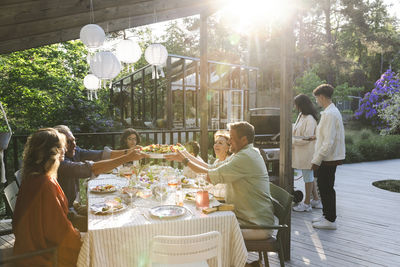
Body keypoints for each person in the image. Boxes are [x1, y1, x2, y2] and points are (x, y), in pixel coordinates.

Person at [166, 122, 274, 239]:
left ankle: (212, 257)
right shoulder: (243, 153)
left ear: (243, 140)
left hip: (255, 226)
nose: (229, 141)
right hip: (241, 218)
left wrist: (186, 161)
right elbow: (211, 168)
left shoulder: (245, 157)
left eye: (232, 138)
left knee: (207, 233)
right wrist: (186, 156)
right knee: (202, 224)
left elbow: (209, 176)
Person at [54, 125, 148, 231]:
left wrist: (128, 152)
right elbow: (91, 169)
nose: (74, 145)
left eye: (74, 140)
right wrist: (128, 157)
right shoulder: (60, 164)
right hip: (64, 215)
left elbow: (101, 154)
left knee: (113, 208)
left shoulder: (75, 151)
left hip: (73, 206)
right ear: (58, 146)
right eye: (68, 142)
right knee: (108, 224)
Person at [12, 128, 82, 266]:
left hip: (28, 247)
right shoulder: (46, 184)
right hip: (44, 256)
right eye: (62, 146)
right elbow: (58, 231)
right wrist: (78, 236)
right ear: (52, 152)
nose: (65, 150)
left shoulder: (33, 177)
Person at [311, 84, 345, 230]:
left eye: (317, 98)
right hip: (328, 157)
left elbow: (329, 141)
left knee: (326, 188)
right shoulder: (330, 112)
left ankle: (330, 220)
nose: (316, 101)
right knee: (324, 187)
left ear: (322, 97)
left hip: (328, 158)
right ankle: (327, 216)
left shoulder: (330, 114)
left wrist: (316, 160)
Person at [292, 94, 322, 212]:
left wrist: (292, 141)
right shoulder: (301, 116)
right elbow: (297, 131)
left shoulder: (310, 119)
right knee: (308, 176)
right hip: (301, 152)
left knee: (308, 177)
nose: (295, 107)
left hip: (307, 153)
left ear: (301, 105)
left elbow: (307, 138)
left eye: (296, 104)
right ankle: (316, 199)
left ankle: (307, 203)